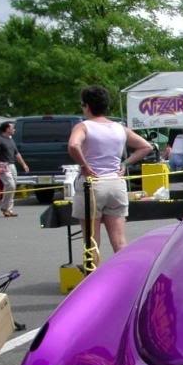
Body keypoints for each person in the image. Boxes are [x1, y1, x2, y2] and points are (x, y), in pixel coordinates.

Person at [68, 85, 152, 252]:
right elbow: (146, 146)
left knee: (92, 243)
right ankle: (125, 276)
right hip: (115, 183)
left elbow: (73, 145)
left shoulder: (84, 126)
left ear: (87, 106)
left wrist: (84, 165)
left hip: (92, 184)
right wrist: (125, 163)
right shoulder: (119, 127)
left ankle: (93, 276)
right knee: (120, 242)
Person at [0, 121, 29, 217]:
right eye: (13, 128)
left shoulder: (11, 140)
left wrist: (24, 164)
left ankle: (9, 210)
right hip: (3, 165)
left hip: (12, 165)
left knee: (12, 187)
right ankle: (4, 207)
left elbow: (17, 154)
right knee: (10, 185)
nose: (14, 129)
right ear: (7, 129)